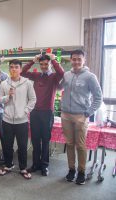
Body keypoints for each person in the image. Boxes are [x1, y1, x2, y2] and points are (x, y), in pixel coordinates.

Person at [59, 49, 102, 185]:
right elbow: (58, 87)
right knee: (70, 144)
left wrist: (88, 112)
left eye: (79, 59)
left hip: (81, 116)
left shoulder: (90, 77)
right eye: (74, 59)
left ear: (84, 60)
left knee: (81, 145)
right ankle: (71, 170)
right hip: (66, 115)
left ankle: (81, 171)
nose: (76, 61)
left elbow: (98, 97)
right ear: (71, 60)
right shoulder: (66, 75)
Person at [21, 53, 64, 176]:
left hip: (47, 113)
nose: (44, 66)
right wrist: (32, 60)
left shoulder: (55, 77)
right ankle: (35, 164)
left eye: (46, 64)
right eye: (42, 64)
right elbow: (23, 72)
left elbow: (61, 73)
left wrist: (54, 59)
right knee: (35, 140)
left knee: (45, 140)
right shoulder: (37, 75)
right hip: (34, 112)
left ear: (49, 64)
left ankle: (44, 166)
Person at [0, 59, 36, 179]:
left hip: (22, 120)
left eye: (16, 67)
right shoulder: (4, 83)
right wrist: (8, 96)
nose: (13, 69)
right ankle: (8, 165)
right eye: (12, 67)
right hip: (7, 120)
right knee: (7, 145)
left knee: (22, 146)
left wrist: (25, 111)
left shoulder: (27, 83)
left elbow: (33, 99)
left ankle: (23, 168)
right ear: (9, 69)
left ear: (20, 69)